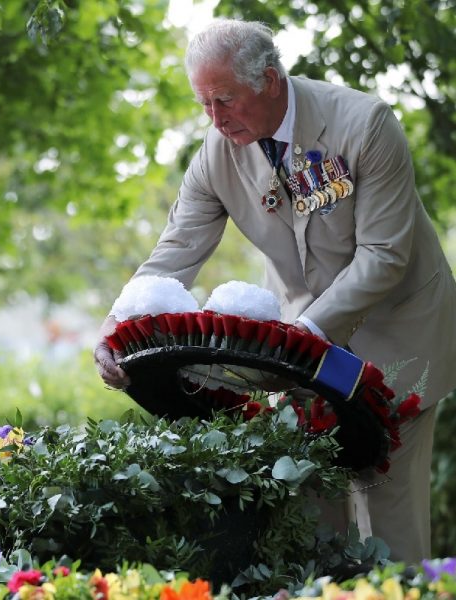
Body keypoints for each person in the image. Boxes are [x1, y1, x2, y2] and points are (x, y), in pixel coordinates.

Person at [93, 18, 456, 563]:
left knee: (388, 522)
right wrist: (114, 329)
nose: (214, 120)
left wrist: (297, 341)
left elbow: (384, 256)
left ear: (269, 79)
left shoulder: (366, 124)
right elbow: (174, 253)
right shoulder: (216, 151)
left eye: (224, 99)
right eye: (203, 104)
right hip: (302, 346)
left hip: (398, 336)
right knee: (312, 519)